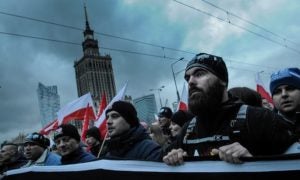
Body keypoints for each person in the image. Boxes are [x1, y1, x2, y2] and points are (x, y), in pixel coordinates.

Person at [163, 52, 294, 165]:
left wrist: (253, 162)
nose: (190, 81)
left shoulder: (260, 119)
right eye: (188, 78)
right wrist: (173, 158)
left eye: (199, 74)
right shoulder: (187, 130)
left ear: (223, 80)